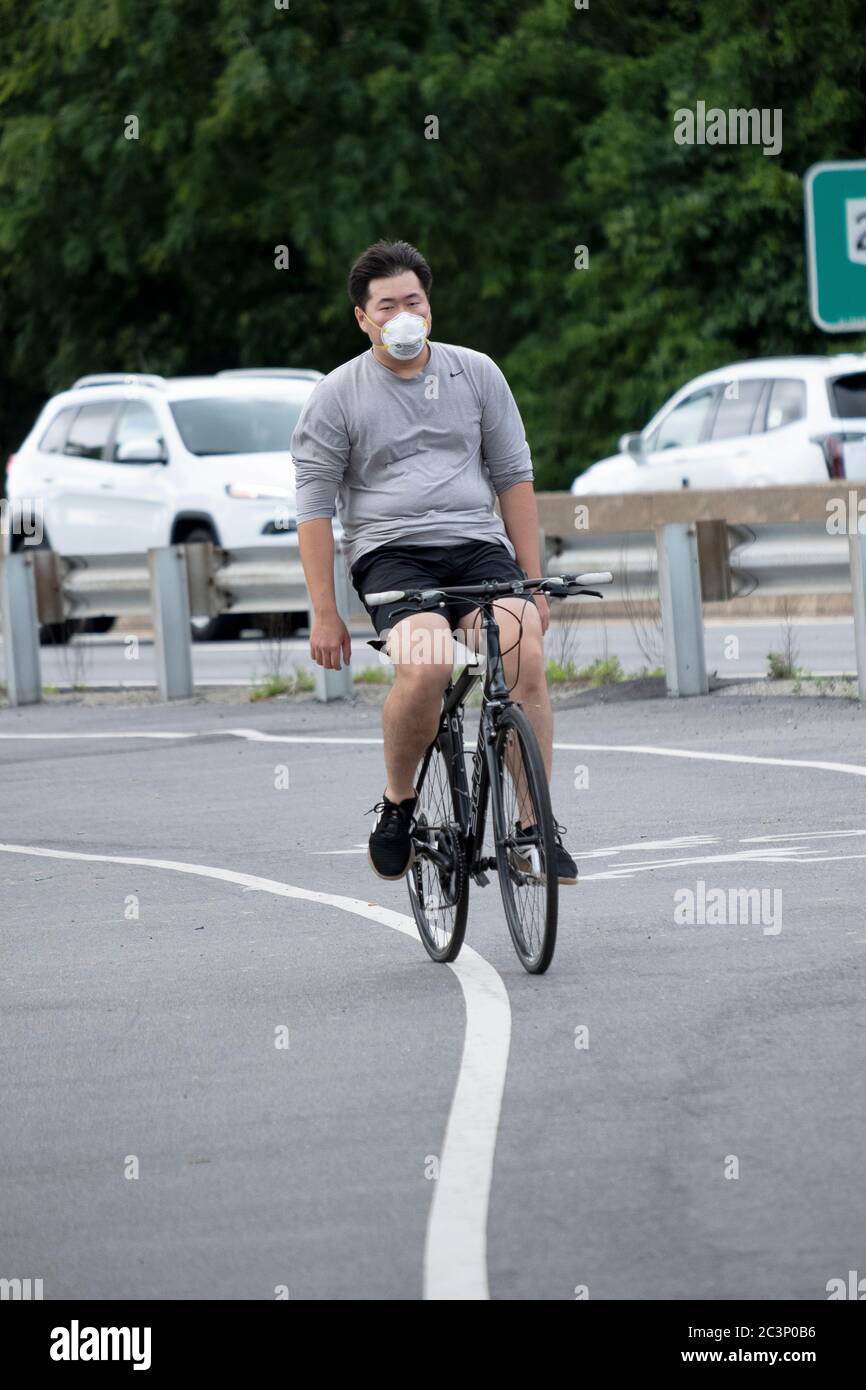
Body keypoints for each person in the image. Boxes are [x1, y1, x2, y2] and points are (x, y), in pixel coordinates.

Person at [291, 239, 577, 885]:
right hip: (392, 555)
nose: (402, 315)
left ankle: (535, 826)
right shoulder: (336, 396)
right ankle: (398, 805)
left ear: (430, 306)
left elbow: (514, 478)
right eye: (386, 305)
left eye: (412, 301)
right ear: (362, 318)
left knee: (521, 649)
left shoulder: (476, 374)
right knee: (424, 666)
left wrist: (532, 585)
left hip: (477, 544)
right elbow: (313, 510)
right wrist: (324, 613)